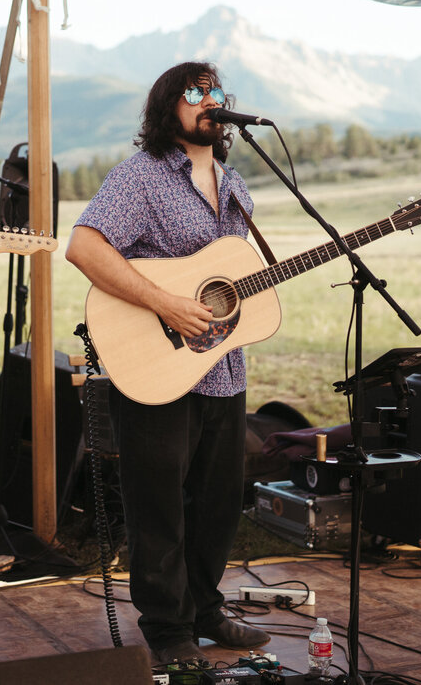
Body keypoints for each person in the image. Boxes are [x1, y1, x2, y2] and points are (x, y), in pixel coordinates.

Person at [65, 61, 270, 666]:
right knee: (158, 506)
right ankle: (168, 630)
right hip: (155, 366)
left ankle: (206, 610)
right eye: (195, 92)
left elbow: (232, 276)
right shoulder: (143, 178)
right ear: (167, 107)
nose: (210, 100)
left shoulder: (236, 186)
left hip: (222, 371)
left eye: (216, 92)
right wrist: (165, 304)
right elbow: (83, 245)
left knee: (218, 501)